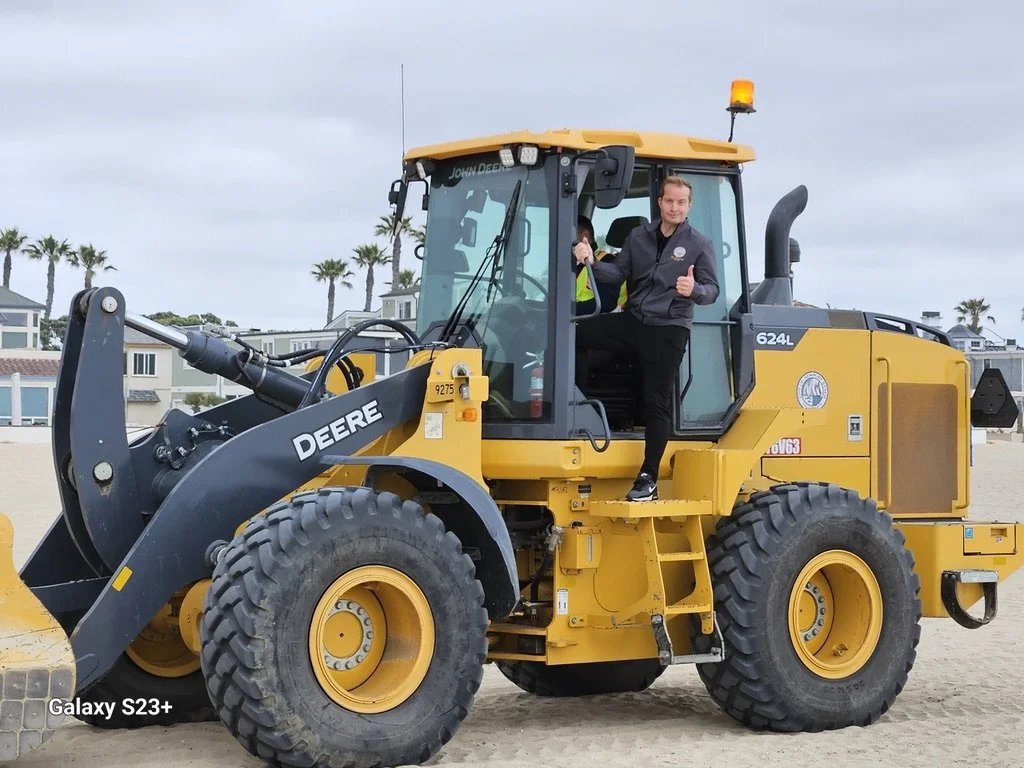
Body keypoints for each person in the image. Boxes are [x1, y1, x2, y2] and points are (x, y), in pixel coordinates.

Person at [574, 176, 719, 501]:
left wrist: (693, 290)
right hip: (634, 321)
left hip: (668, 328)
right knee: (576, 333)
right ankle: (580, 410)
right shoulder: (638, 237)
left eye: (681, 202)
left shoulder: (698, 244)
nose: (675, 207)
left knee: (656, 401)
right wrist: (590, 260)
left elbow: (712, 291)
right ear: (660, 202)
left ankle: (648, 477)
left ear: (689, 206)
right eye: (670, 201)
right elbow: (616, 274)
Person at [574, 215, 627, 315]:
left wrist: (567, 310)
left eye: (567, 236)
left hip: (603, 325)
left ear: (584, 236)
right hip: (573, 324)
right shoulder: (572, 266)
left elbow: (607, 303)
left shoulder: (607, 262)